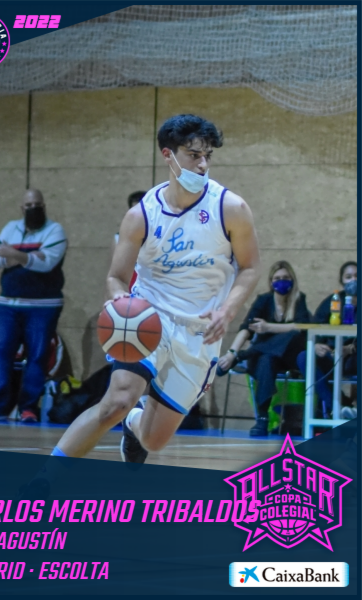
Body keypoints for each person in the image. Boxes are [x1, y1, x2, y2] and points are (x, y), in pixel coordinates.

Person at [50, 113, 261, 463]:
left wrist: (228, 310)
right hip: (149, 319)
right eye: (194, 155)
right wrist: (120, 300)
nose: (203, 164)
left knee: (154, 439)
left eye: (208, 155)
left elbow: (250, 267)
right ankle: (43, 480)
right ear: (168, 155)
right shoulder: (141, 215)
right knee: (116, 402)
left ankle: (134, 424)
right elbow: (116, 276)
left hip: (199, 332)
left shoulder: (230, 208)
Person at [0, 189, 68, 423]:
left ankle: (27, 408)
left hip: (44, 305)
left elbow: (46, 263)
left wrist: (14, 254)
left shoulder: (55, 230)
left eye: (37, 205)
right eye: (28, 206)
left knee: (37, 355)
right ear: (21, 208)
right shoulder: (10, 228)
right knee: (1, 353)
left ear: (44, 206)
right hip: (8, 303)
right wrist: (28, 256)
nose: (33, 209)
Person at [217, 260, 311, 436]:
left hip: (290, 358)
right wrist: (231, 353)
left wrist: (269, 327)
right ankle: (262, 419)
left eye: (286, 278)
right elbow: (246, 328)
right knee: (266, 360)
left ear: (292, 280)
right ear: (271, 282)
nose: (281, 281)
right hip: (266, 358)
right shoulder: (264, 300)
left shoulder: (299, 299)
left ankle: (244, 355)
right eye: (277, 278)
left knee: (291, 334)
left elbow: (301, 327)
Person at [296, 261, 357, 420]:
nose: (353, 280)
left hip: (354, 358)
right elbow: (314, 327)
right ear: (341, 280)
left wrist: (350, 349)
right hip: (333, 355)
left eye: (357, 276)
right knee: (304, 356)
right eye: (349, 277)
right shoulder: (333, 301)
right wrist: (316, 345)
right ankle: (337, 408)